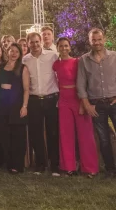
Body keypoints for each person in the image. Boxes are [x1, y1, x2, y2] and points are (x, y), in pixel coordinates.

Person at [53, 37, 98, 176]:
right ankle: (68, 167)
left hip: (78, 99)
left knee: (85, 134)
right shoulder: (55, 64)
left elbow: (84, 81)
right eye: (61, 46)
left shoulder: (77, 62)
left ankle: (90, 168)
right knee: (65, 134)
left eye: (66, 46)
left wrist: (84, 102)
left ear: (70, 47)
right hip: (63, 101)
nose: (64, 48)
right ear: (58, 48)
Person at [77, 28, 116, 175]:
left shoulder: (114, 56)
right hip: (96, 105)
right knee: (104, 139)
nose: (97, 42)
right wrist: (87, 105)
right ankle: (110, 169)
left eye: (99, 39)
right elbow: (81, 85)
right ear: (90, 41)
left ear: (104, 39)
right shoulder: (84, 60)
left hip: (114, 102)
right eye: (94, 40)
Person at [22, 32, 60, 175]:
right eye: (32, 42)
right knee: (36, 133)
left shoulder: (52, 56)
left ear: (41, 42)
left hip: (51, 99)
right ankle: (40, 164)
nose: (35, 44)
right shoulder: (25, 60)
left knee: (53, 133)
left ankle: (54, 164)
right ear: (28, 43)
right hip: (34, 100)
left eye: (37, 41)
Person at [0, 43, 29, 174]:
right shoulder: (1, 67)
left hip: (17, 107)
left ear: (20, 54)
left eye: (17, 51)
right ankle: (9, 163)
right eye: (11, 51)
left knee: (18, 137)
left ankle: (18, 165)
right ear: (7, 52)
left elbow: (26, 89)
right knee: (4, 136)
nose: (14, 53)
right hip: (2, 106)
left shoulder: (23, 68)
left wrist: (24, 106)